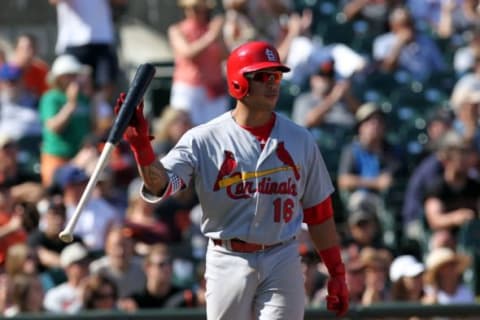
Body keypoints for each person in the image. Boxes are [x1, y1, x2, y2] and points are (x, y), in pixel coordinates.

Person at [116, 40, 348, 319]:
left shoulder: (300, 139)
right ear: (238, 82)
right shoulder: (204, 138)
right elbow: (161, 185)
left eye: (276, 76)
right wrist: (142, 147)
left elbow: (319, 212)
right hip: (228, 257)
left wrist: (336, 271)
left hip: (282, 255)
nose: (273, 83)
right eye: (262, 76)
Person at [168, 0, 230, 125]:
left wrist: (218, 35)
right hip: (188, 89)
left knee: (216, 130)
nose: (193, 12)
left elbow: (225, 55)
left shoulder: (213, 29)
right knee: (184, 130)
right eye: (190, 8)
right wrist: (211, 36)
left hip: (213, 90)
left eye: (197, 8)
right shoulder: (176, 30)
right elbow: (188, 53)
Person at [39, 54, 92, 187]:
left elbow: (90, 127)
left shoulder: (83, 98)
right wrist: (71, 105)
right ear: (59, 78)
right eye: (70, 75)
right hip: (57, 159)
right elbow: (53, 127)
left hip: (81, 156)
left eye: (75, 75)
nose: (74, 79)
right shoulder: (51, 98)